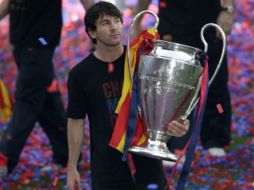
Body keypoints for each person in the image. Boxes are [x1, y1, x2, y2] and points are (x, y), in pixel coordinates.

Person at [66, 2, 190, 190]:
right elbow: (75, 120)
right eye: (105, 23)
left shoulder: (142, 61)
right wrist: (72, 166)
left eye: (116, 20)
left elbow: (163, 105)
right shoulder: (81, 74)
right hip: (108, 168)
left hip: (147, 162)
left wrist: (176, 125)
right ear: (92, 32)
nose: (114, 27)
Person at [0, 0, 93, 178]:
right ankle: (66, 154)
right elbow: (9, 4)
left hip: (40, 45)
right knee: (46, 101)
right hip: (22, 44)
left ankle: (4, 158)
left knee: (27, 100)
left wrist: (98, 22)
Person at [134, 0, 233, 157]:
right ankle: (167, 141)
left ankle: (216, 138)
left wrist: (227, 9)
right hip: (173, 26)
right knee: (170, 87)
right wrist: (138, 19)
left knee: (215, 87)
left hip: (209, 24)